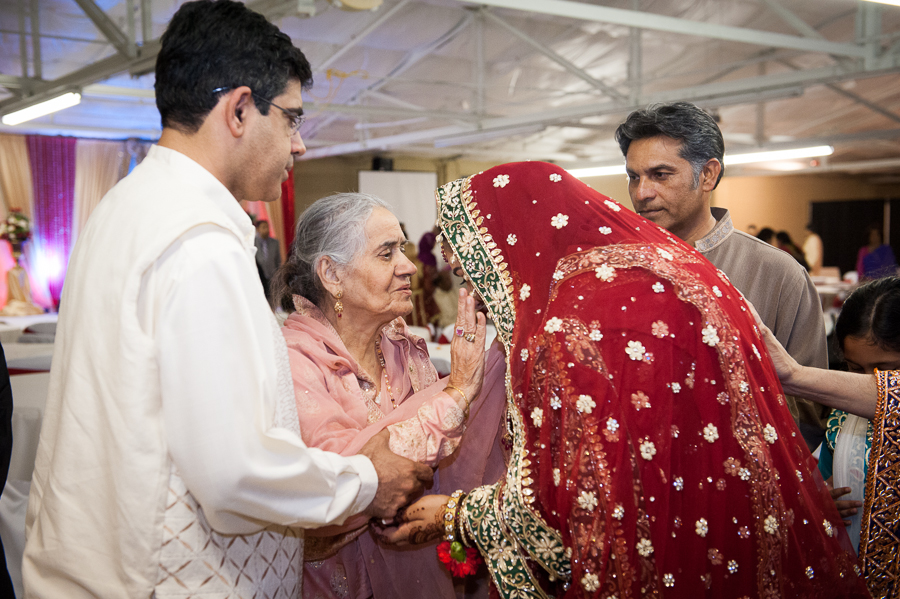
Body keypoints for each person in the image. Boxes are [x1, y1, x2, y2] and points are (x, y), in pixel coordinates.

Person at [22, 2, 431, 597]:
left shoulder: (126, 207)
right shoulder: (199, 243)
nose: (300, 147)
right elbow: (235, 472)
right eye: (291, 119)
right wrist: (368, 481)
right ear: (239, 109)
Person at [383, 162, 868, 597]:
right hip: (724, 541)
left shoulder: (567, 324)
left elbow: (574, 505)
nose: (476, 295)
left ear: (504, 249)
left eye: (473, 274)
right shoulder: (661, 269)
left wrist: (456, 516)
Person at [271, 192, 505, 599]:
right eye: (386, 253)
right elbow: (343, 480)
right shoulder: (292, 360)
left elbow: (434, 469)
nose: (408, 266)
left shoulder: (404, 347)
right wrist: (459, 392)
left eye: (403, 248)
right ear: (331, 274)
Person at [615, 102, 830, 448]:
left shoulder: (777, 274)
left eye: (660, 175)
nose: (642, 193)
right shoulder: (617, 270)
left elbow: (810, 408)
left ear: (709, 175)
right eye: (633, 177)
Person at [756, 277, 900, 599]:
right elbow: (816, 485)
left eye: (887, 373)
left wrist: (793, 375)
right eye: (854, 369)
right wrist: (819, 504)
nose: (867, 383)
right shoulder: (842, 420)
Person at [254, 219, 281, 303]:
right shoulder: (252, 243)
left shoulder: (275, 243)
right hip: (258, 278)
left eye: (267, 227)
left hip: (272, 277)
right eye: (263, 227)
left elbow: (278, 260)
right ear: (258, 229)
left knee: (272, 301)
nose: (266, 229)